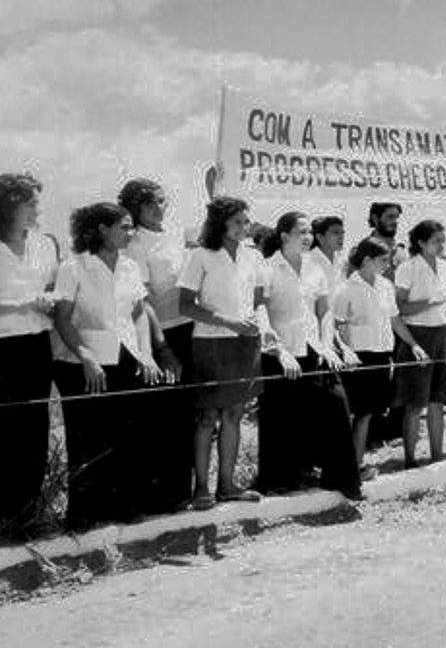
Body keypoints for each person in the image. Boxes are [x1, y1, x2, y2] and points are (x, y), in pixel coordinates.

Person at [53, 202, 162, 529]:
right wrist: (86, 357)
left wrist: (146, 353)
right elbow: (62, 319)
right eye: (124, 227)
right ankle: (83, 513)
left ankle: (122, 505)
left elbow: (139, 312)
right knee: (87, 438)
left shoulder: (129, 266)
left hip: (126, 358)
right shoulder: (74, 267)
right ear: (102, 229)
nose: (130, 232)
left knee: (126, 435)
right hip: (82, 363)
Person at [255, 212, 361, 499]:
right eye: (300, 232)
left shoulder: (315, 269)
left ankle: (342, 480)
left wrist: (327, 345)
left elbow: (324, 311)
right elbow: (260, 307)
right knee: (282, 419)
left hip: (315, 349)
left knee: (337, 404)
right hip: (280, 353)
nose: (307, 237)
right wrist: (278, 349)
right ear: (284, 236)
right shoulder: (267, 268)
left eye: (309, 232)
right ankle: (281, 480)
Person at [178, 197, 264, 511]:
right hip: (211, 343)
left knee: (234, 414)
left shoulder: (253, 256)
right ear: (220, 223)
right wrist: (228, 322)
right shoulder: (200, 255)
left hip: (246, 343)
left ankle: (227, 486)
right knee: (207, 417)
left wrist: (256, 325)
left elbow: (258, 300)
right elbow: (185, 305)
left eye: (246, 221)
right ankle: (202, 488)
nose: (244, 226)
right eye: (237, 221)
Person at [119, 178, 193, 512]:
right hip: (159, 335)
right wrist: (162, 348)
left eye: (161, 200)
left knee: (184, 415)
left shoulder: (174, 234)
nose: (157, 208)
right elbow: (144, 301)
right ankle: (156, 496)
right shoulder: (135, 244)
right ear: (135, 209)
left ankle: (180, 492)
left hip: (189, 328)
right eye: (149, 203)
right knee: (160, 417)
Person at [331, 238, 428, 476]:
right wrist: (345, 349)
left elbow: (394, 320)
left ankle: (355, 465)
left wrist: (414, 345)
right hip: (356, 358)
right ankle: (348, 468)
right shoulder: (346, 289)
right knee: (357, 413)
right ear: (367, 260)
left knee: (368, 413)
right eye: (383, 260)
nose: (388, 264)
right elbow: (337, 325)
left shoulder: (386, 286)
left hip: (382, 356)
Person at [0, 174, 58, 539]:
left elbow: (53, 287)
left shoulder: (44, 245)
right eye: (30, 203)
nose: (37, 209)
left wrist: (50, 299)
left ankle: (28, 514)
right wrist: (23, 304)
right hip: (2, 346)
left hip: (37, 344)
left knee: (34, 427)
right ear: (9, 205)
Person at [393, 219, 446, 468]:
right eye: (436, 241)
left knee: (439, 400)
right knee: (415, 402)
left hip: (443, 334)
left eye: (443, 240)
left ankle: (437, 456)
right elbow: (401, 308)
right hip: (418, 335)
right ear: (421, 243)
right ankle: (410, 459)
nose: (441, 245)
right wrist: (433, 301)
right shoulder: (408, 268)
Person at [366, 202, 406, 281]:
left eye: (396, 217)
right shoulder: (361, 251)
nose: (394, 222)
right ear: (375, 218)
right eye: (390, 217)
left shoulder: (401, 253)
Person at [310, 215, 346, 294]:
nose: (341, 236)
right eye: (336, 233)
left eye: (342, 233)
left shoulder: (341, 262)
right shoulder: (308, 261)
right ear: (320, 237)